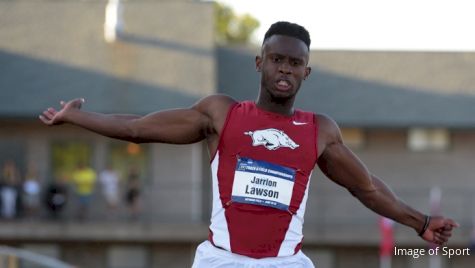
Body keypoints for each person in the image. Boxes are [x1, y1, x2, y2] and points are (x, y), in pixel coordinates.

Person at [39, 21, 458, 267]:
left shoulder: (319, 130)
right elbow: (138, 128)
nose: (285, 70)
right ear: (261, 63)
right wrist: (75, 116)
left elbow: (365, 187)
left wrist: (419, 222)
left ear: (305, 73)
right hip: (222, 261)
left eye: (295, 63)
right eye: (277, 59)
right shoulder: (222, 114)